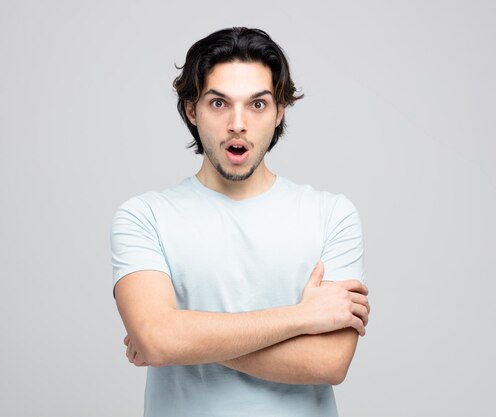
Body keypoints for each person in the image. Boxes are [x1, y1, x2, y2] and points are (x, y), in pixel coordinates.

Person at [111, 27, 370, 417]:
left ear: (280, 111)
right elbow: (157, 340)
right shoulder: (145, 216)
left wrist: (181, 340)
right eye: (218, 103)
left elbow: (328, 363)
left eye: (258, 105)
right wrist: (301, 318)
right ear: (191, 110)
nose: (238, 123)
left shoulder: (331, 214)